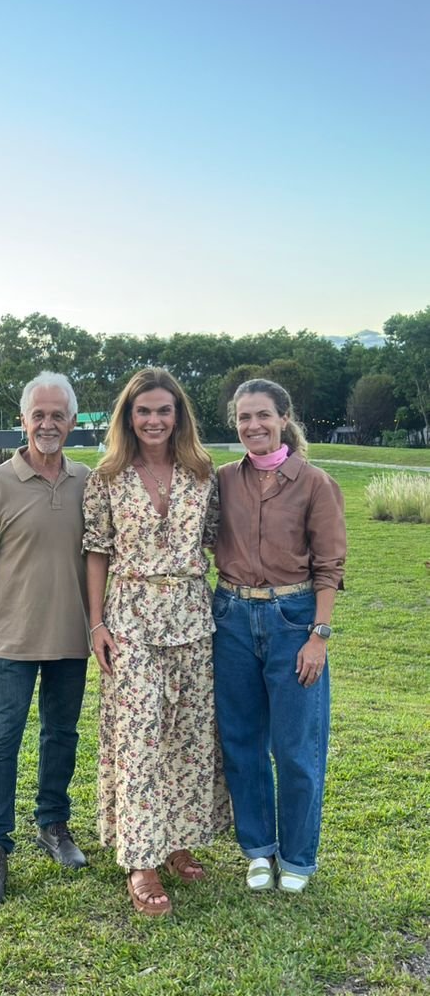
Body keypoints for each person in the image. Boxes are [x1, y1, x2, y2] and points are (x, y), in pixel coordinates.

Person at [83, 368, 229, 916]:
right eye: (143, 410)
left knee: (190, 734)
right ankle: (141, 858)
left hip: (194, 617)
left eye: (163, 410)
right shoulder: (109, 476)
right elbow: (96, 550)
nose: (153, 420)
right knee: (140, 734)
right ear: (128, 416)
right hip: (132, 619)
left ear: (178, 416)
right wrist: (97, 624)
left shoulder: (201, 472)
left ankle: (178, 844)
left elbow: (216, 540)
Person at [0, 372, 91, 907]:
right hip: (11, 641)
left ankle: (52, 824)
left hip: (73, 640)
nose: (48, 423)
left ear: (73, 422)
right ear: (23, 420)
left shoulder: (90, 482)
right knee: (0, 743)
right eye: (39, 414)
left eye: (58, 414)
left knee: (61, 735)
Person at [213, 378, 345, 893]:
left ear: (284, 419)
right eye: (244, 418)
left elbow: (330, 567)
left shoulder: (314, 483)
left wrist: (319, 636)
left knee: (296, 747)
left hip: (294, 620)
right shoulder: (223, 479)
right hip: (231, 619)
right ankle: (259, 851)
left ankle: (297, 856)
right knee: (243, 743)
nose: (254, 426)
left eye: (263, 415)